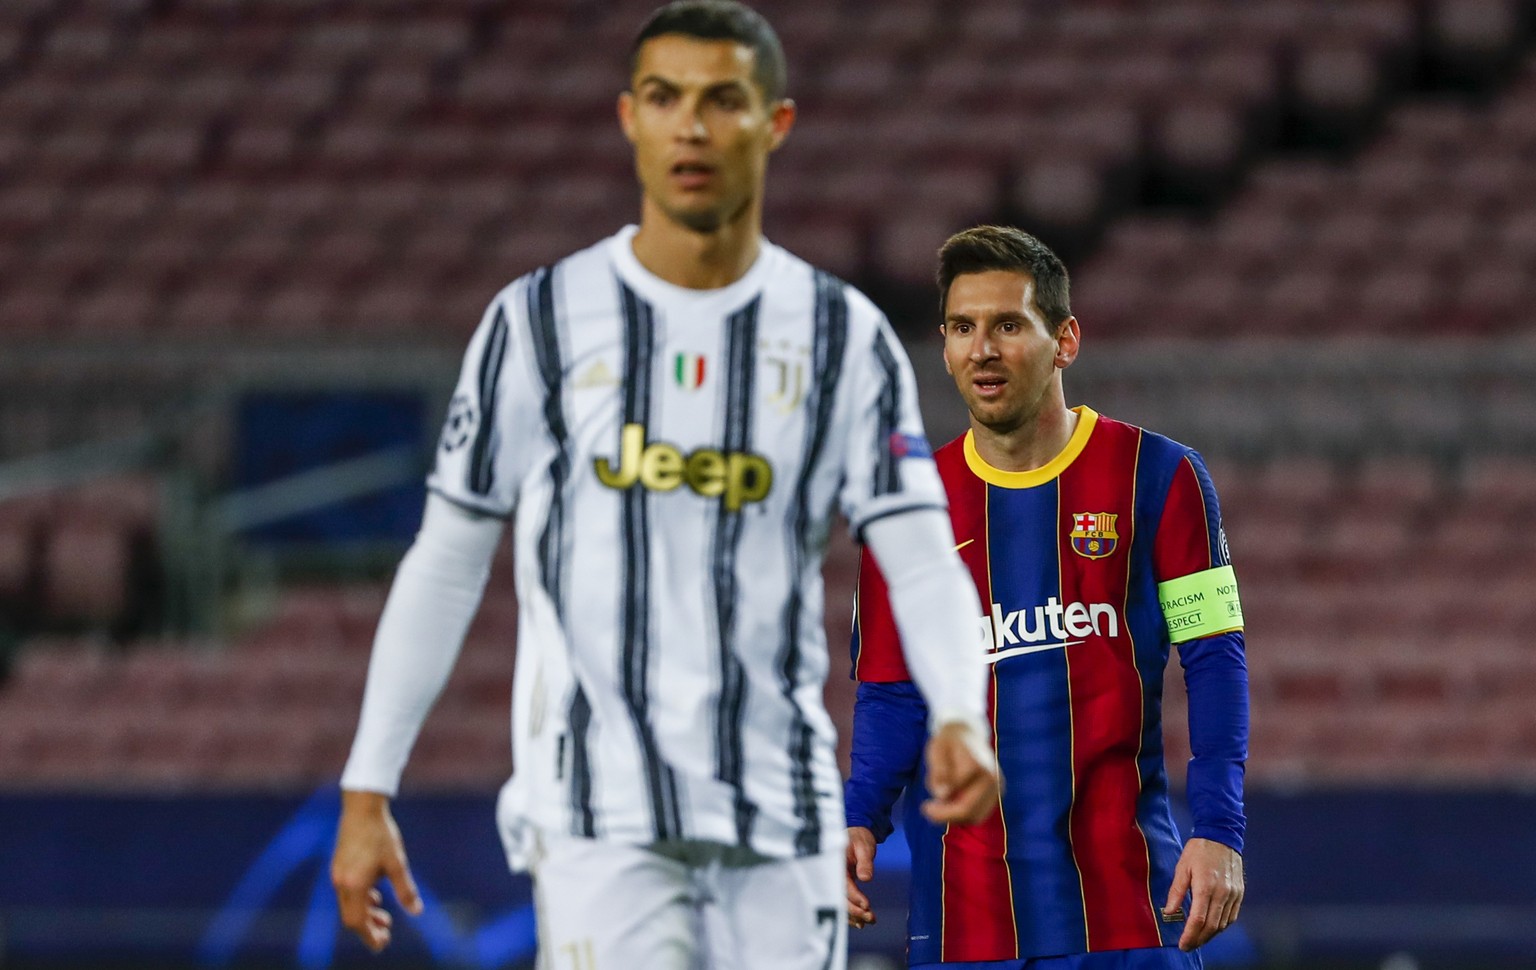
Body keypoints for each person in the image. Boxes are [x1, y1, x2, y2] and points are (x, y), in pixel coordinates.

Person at [329, 4, 999, 968]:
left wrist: (961, 715)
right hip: (598, 816)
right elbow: (446, 559)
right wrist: (368, 785)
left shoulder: (839, 338)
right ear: (628, 120)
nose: (691, 126)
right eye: (665, 98)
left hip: (781, 810)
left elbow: (923, 558)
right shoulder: (540, 324)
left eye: (723, 100)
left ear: (775, 125)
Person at [843, 225, 1249, 969]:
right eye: (963, 328)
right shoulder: (906, 508)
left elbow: (1215, 660)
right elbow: (893, 692)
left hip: (1127, 910)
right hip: (966, 926)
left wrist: (1220, 829)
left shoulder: (1159, 476)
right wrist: (858, 819)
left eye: (1007, 325)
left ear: (1064, 340)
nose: (982, 349)